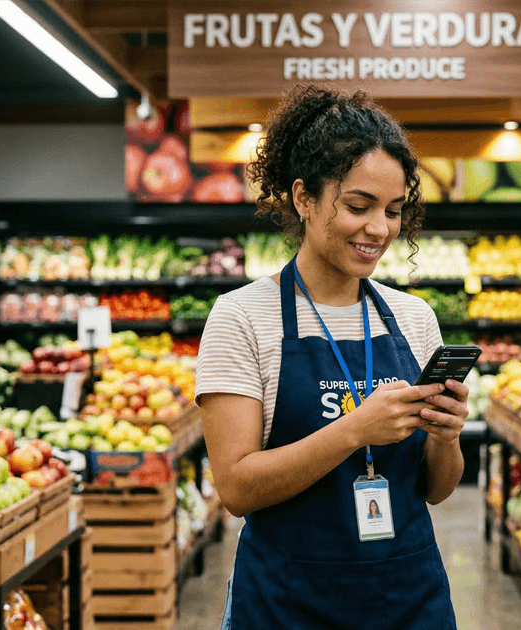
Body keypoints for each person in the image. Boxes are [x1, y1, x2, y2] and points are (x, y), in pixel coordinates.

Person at [196, 86, 465, 629]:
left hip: (408, 599)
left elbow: (436, 490)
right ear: (304, 198)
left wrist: (446, 436)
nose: (380, 230)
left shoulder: (414, 319)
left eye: (394, 211)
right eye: (358, 206)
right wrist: (354, 430)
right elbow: (237, 488)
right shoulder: (242, 318)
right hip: (287, 604)